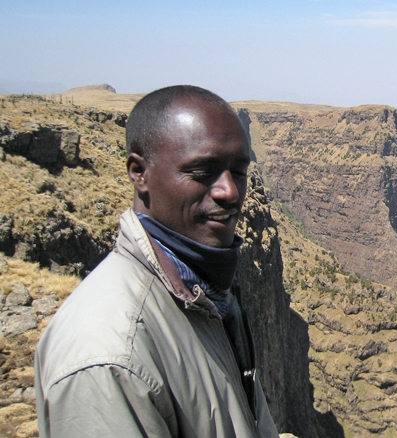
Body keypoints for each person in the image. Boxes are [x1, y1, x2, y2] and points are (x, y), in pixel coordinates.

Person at [34, 85, 279, 437]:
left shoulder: (203, 291)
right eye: (203, 170)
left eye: (238, 170)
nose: (231, 192)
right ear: (139, 173)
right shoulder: (109, 356)